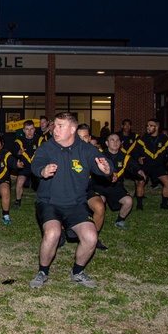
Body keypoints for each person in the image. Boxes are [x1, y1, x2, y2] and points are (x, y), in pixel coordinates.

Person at [28, 112, 112, 289]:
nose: (55, 130)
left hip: (76, 203)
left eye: (60, 126)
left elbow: (104, 163)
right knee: (52, 233)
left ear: (73, 129)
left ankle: (78, 271)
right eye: (54, 126)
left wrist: (106, 169)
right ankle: (42, 271)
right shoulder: (47, 148)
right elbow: (35, 165)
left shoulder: (85, 149)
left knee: (91, 237)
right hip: (49, 202)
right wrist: (42, 171)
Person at [95, 132, 140, 229]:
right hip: (101, 185)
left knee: (128, 201)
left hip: (116, 186)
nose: (115, 142)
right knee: (99, 201)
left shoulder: (124, 156)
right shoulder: (100, 155)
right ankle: (95, 222)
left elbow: (133, 165)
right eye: (112, 140)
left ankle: (120, 220)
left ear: (120, 143)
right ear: (107, 143)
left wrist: (139, 171)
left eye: (117, 140)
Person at [75, 124, 109, 251]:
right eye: (78, 137)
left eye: (85, 137)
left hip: (86, 188)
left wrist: (110, 172)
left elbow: (106, 165)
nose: (81, 140)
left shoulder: (93, 152)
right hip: (69, 188)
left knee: (100, 207)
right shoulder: (67, 151)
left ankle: (94, 238)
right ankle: (60, 233)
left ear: (89, 138)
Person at [135, 118, 168, 210]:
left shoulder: (165, 139)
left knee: (167, 182)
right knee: (140, 183)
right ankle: (139, 205)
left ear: (157, 127)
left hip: (158, 165)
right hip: (146, 165)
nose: (148, 127)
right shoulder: (142, 139)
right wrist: (138, 158)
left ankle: (164, 204)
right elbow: (135, 152)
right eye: (147, 126)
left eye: (150, 126)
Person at [13, 119, 41, 207]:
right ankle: (18, 201)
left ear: (34, 129)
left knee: (43, 183)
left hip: (37, 166)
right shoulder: (19, 141)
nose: (29, 131)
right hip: (24, 166)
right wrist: (19, 153)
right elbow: (13, 153)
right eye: (27, 129)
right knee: (19, 182)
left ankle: (42, 201)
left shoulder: (40, 139)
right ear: (24, 130)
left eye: (31, 129)